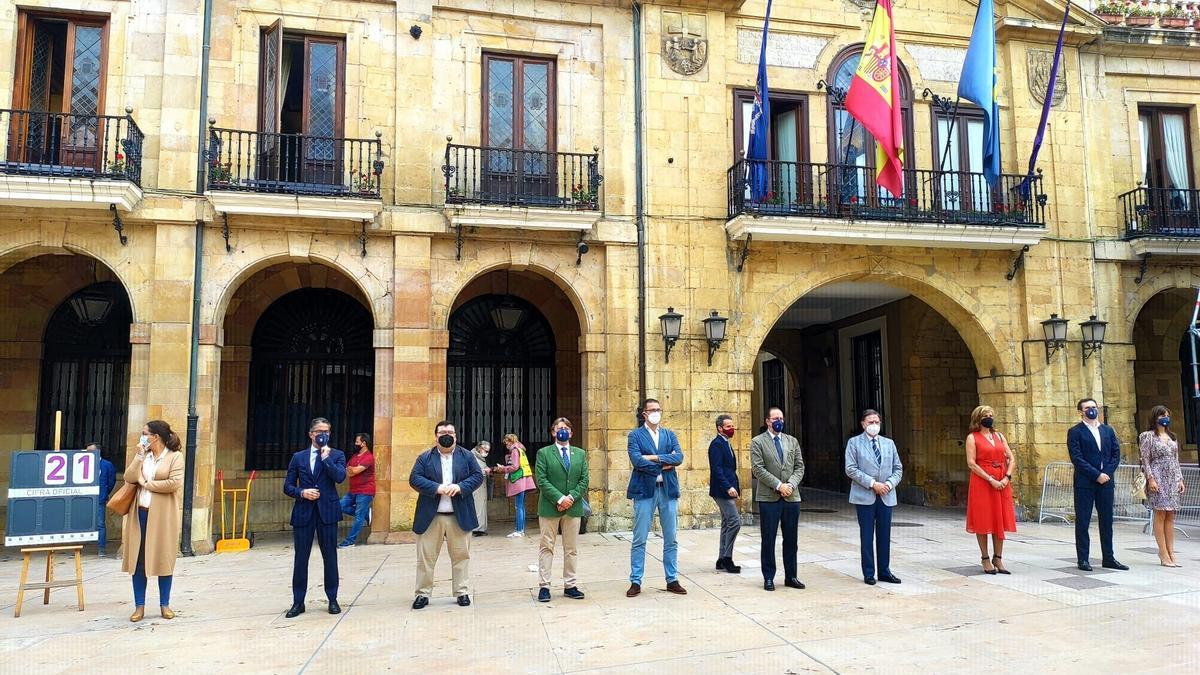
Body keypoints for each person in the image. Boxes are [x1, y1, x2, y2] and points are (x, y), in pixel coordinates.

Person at [409, 420, 484, 609]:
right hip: (431, 516)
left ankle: (462, 591)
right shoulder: (424, 458)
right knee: (426, 558)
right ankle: (422, 593)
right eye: (442, 432)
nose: (447, 435)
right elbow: (414, 479)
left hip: (459, 516)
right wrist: (437, 488)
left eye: (450, 432)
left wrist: (460, 487)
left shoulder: (466, 456)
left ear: (456, 436)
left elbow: (477, 476)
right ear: (436, 436)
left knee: (461, 556)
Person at [284, 417, 347, 618]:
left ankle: (333, 599)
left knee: (330, 557)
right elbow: (288, 486)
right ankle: (298, 601)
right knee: (301, 558)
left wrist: (326, 458)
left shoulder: (337, 455)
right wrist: (302, 492)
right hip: (304, 512)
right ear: (311, 434)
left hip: (327, 512)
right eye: (319, 431)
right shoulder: (298, 457)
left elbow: (340, 477)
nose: (323, 435)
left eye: (327, 431)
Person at [121, 420, 184, 622]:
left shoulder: (175, 457)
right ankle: (139, 606)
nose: (142, 436)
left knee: (163, 558)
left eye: (145, 433)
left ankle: (164, 604)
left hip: (163, 516)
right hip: (139, 513)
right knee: (138, 561)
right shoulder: (144, 456)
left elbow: (173, 483)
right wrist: (139, 456)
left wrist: (146, 484)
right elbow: (129, 477)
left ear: (155, 437)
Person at [626, 397, 687, 597]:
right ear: (644, 413)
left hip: (668, 490)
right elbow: (636, 460)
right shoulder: (635, 435)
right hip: (645, 491)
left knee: (671, 538)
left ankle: (672, 579)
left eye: (658, 409)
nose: (655, 412)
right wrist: (663, 462)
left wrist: (653, 458)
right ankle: (636, 580)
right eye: (652, 409)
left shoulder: (669, 435)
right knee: (640, 537)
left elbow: (678, 457)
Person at [1067, 397, 1127, 572]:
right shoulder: (1075, 432)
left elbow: (1115, 454)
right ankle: (1083, 559)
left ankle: (1108, 557)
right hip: (1085, 483)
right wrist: (1096, 474)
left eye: (1094, 407)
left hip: (1106, 482)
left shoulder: (1107, 430)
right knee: (1083, 521)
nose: (1091, 410)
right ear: (1081, 412)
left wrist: (1106, 473)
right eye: (1087, 408)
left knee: (1106, 521)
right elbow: (1077, 457)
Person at [750, 407, 806, 591]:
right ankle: (768, 577)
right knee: (769, 538)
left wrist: (790, 485)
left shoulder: (792, 441)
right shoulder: (758, 442)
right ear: (767, 421)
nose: (779, 421)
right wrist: (778, 485)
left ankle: (791, 576)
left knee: (791, 539)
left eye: (781, 417)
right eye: (775, 418)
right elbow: (758, 469)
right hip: (769, 498)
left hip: (792, 497)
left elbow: (799, 467)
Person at [845, 410, 903, 585]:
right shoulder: (854, 443)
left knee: (885, 534)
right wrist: (872, 484)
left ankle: (885, 571)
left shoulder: (888, 443)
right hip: (865, 495)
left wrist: (889, 484)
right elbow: (851, 468)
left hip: (886, 494)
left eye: (877, 422)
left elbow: (897, 468)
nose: (874, 425)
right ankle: (869, 572)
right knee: (867, 535)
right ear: (863, 424)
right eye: (870, 422)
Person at [534, 417, 589, 601]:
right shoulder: (544, 453)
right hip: (550, 507)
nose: (562, 431)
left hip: (573, 508)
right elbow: (541, 479)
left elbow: (584, 479)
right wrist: (559, 498)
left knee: (571, 548)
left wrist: (571, 497)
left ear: (571, 432)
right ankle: (544, 586)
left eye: (566, 428)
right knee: (547, 546)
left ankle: (570, 584)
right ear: (553, 432)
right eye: (559, 428)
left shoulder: (580, 454)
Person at [964, 405, 1017, 574]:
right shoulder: (972, 438)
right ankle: (985, 558)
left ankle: (998, 558)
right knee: (983, 519)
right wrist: (991, 479)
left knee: (999, 518)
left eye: (991, 415)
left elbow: (1011, 458)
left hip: (1002, 479)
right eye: (986, 415)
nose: (989, 417)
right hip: (982, 481)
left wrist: (1006, 477)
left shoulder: (999, 436)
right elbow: (972, 463)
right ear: (978, 418)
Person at [1138, 405, 1186, 567]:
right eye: (1162, 415)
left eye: (1167, 415)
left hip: (1172, 477)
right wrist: (1150, 479)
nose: (1165, 418)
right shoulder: (1147, 436)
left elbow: (1176, 459)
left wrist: (1180, 479)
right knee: (1160, 514)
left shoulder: (1172, 436)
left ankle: (1171, 551)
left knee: (1170, 515)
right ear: (1155, 417)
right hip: (1157, 476)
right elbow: (1145, 459)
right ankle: (1163, 552)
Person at [708, 414, 741, 573]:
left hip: (727, 489)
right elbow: (717, 470)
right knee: (735, 521)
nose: (731, 429)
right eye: (728, 426)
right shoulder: (716, 445)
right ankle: (727, 558)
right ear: (719, 428)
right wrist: (728, 487)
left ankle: (721, 559)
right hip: (721, 490)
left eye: (732, 426)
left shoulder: (725, 443)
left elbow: (730, 469)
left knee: (727, 522)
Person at [338, 433, 375, 548]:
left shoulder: (369, 457)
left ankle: (350, 541)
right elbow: (347, 470)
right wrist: (351, 470)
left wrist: (351, 470)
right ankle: (366, 514)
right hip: (353, 490)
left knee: (358, 516)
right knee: (339, 506)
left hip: (365, 491)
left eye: (357, 442)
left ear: (364, 443)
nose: (355, 444)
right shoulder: (355, 456)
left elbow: (354, 471)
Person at [498, 433, 534, 537]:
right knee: (521, 506)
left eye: (506, 443)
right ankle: (521, 530)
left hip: (518, 481)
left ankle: (519, 531)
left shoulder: (514, 450)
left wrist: (503, 468)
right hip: (524, 480)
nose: (506, 445)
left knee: (518, 506)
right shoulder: (520, 449)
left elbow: (514, 467)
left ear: (510, 441)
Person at [86, 442, 116, 557]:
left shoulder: (107, 465)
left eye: (91, 451)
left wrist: (104, 493)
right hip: (85, 498)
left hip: (99, 498)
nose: (88, 454)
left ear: (98, 452)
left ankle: (101, 548)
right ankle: (78, 547)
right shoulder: (83, 464)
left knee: (100, 524)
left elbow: (111, 481)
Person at [471, 441, 492, 536]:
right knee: (477, 506)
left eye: (488, 451)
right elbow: (471, 470)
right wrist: (484, 471)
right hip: (476, 486)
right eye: (485, 450)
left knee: (481, 506)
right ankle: (477, 529)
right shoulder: (472, 456)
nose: (486, 453)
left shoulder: (480, 457)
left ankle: (481, 528)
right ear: (479, 448)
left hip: (482, 485)